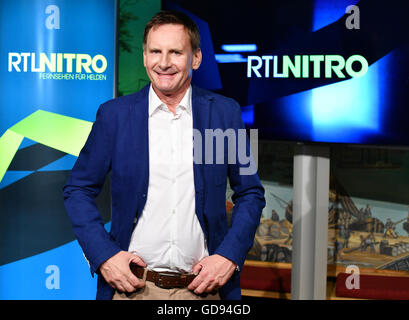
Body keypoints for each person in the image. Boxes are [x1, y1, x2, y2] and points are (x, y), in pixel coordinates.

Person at [63, 10, 265, 300]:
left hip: (205, 288)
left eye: (175, 52)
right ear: (144, 56)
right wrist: (104, 256)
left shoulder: (224, 113)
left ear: (195, 58)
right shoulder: (115, 116)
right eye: (155, 51)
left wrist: (229, 257)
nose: (164, 62)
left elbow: (251, 193)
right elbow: (78, 189)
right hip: (132, 288)